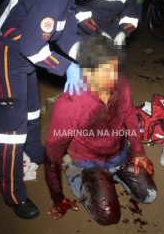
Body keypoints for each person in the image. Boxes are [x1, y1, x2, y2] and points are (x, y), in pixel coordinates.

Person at [0, 0, 107, 220]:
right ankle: (14, 194)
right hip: (4, 58)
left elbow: (68, 37)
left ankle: (36, 153)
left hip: (22, 59)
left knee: (32, 112)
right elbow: (32, 47)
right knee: (11, 133)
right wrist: (67, 67)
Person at [44, 34, 157, 225]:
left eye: (115, 67)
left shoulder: (121, 83)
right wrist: (57, 196)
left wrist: (138, 151)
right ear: (86, 71)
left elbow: (129, 115)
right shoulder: (69, 104)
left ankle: (113, 174)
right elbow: (51, 154)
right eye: (104, 71)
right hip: (89, 160)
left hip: (119, 151)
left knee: (149, 195)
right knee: (109, 216)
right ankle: (73, 170)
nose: (113, 77)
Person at [75, 0, 142, 45]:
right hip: (83, 29)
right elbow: (80, 10)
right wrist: (99, 32)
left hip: (111, 29)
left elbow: (133, 12)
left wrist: (123, 32)